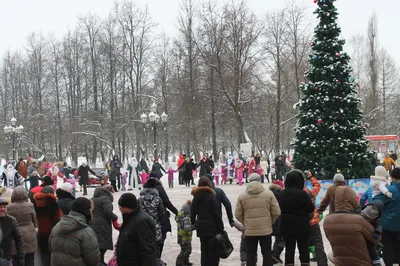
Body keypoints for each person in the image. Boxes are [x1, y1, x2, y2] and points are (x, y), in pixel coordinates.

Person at [324, 186, 379, 266]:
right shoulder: (359, 220)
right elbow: (376, 239)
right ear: (353, 199)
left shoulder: (327, 220)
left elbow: (330, 239)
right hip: (362, 262)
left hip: (340, 262)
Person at [235, 173, 281, 266]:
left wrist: (245, 223)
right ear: (260, 180)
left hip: (250, 230)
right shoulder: (269, 194)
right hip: (266, 230)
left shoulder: (242, 196)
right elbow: (276, 212)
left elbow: (237, 214)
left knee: (251, 254)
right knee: (267, 253)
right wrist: (270, 222)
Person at [49, 197, 100, 266]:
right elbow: (93, 260)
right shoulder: (86, 232)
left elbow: (51, 248)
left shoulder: (57, 226)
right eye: (91, 210)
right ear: (87, 211)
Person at [278, 169, 314, 265]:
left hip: (286, 225)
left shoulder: (282, 193)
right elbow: (310, 208)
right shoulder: (302, 194)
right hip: (302, 226)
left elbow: (277, 209)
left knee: (289, 250)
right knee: (304, 250)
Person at [116, 193, 157, 266]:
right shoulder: (130, 218)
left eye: (121, 206)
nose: (120, 209)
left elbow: (148, 250)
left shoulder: (141, 222)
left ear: (128, 207)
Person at [191, 177, 224, 266]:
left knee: (204, 250)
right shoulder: (211, 196)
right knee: (213, 250)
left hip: (201, 228)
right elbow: (216, 213)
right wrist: (221, 227)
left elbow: (193, 212)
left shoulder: (195, 197)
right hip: (212, 228)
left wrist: (193, 223)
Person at [144, 178, 178, 257]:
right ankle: (157, 258)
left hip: (145, 223)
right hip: (159, 222)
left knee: (148, 242)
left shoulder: (142, 195)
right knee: (160, 240)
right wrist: (176, 212)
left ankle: (152, 259)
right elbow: (166, 202)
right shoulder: (159, 190)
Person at [373, 167, 400, 265]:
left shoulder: (390, 190)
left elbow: (375, 201)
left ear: (392, 177)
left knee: (388, 249)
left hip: (388, 226)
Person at [90, 185, 120, 266]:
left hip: (92, 223)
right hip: (102, 224)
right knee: (103, 244)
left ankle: (100, 261)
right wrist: (115, 217)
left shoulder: (93, 199)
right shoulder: (106, 199)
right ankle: (100, 262)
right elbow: (108, 212)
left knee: (97, 244)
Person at [33, 186, 63, 266]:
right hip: (53, 232)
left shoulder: (35, 203)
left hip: (41, 232)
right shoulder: (53, 203)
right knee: (53, 253)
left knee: (44, 253)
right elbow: (58, 217)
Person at [304, 170, 328, 266]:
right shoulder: (310, 193)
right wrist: (311, 177)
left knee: (302, 243)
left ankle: (304, 262)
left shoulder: (292, 193)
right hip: (313, 221)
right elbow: (317, 186)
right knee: (318, 242)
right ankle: (322, 263)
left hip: (300, 222)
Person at [7, 187, 36, 266]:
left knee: (16, 260)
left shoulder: (9, 207)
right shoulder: (30, 205)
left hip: (15, 236)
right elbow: (35, 221)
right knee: (29, 260)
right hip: (30, 235)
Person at [139, 185, 165, 259]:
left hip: (143, 224)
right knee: (157, 243)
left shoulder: (140, 199)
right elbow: (162, 212)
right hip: (155, 224)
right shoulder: (158, 199)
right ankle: (156, 260)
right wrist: (159, 220)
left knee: (145, 244)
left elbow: (138, 212)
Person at [0, 197, 25, 265]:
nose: (2, 209)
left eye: (4, 207)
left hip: (7, 258)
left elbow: (19, 239)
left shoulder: (11, 220)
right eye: (0, 207)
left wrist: (21, 257)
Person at [360, 200, 384, 266]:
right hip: (361, 236)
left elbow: (379, 226)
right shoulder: (360, 213)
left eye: (369, 219)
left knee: (372, 247)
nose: (367, 220)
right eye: (365, 217)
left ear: (374, 218)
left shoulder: (377, 220)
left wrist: (377, 232)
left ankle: (376, 261)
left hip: (370, 236)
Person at [270, 180, 285, 264]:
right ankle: (276, 254)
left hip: (271, 221)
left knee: (278, 239)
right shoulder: (281, 195)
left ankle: (275, 257)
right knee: (285, 238)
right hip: (280, 221)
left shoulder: (268, 194)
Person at [175, 200, 193, 266]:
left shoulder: (180, 215)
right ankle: (179, 263)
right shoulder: (187, 218)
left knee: (188, 250)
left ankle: (186, 262)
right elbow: (187, 228)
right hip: (185, 237)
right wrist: (194, 226)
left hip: (181, 236)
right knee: (185, 250)